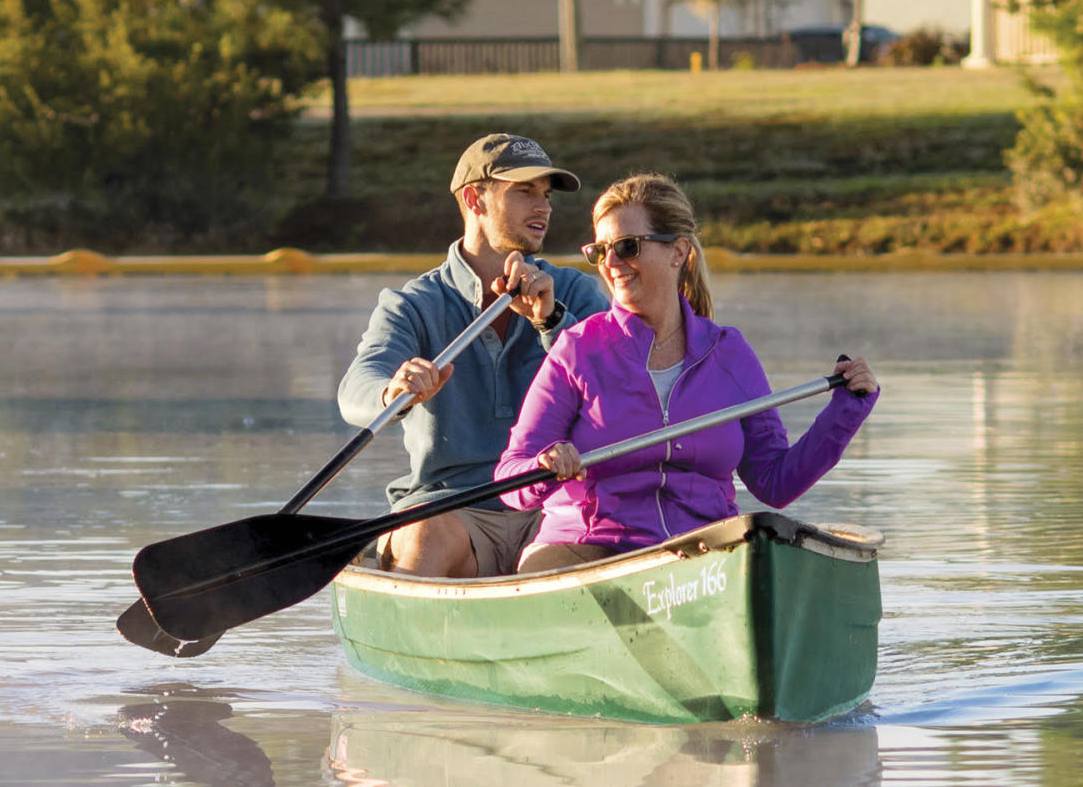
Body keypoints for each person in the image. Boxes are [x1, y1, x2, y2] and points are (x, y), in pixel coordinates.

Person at [496, 173, 878, 572]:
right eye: (600, 250)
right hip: (588, 549)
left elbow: (775, 482)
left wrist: (846, 410)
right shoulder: (576, 349)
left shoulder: (729, 352)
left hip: (700, 555)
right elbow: (510, 475)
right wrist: (543, 467)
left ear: (677, 251)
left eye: (627, 247)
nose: (610, 264)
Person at [337, 133, 612, 577]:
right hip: (448, 511)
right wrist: (393, 391)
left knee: (615, 530)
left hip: (552, 508)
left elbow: (623, 383)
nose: (543, 207)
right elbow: (354, 391)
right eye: (524, 192)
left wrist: (551, 324)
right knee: (429, 533)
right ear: (474, 199)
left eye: (546, 195)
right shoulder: (411, 305)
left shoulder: (576, 291)